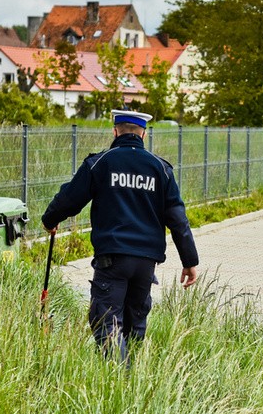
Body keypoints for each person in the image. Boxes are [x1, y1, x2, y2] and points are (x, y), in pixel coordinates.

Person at [42, 110, 199, 362]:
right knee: (135, 325)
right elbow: (178, 219)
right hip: (146, 264)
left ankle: (119, 384)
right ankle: (132, 381)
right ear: (143, 134)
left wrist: (50, 221)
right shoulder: (161, 169)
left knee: (106, 323)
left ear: (115, 131)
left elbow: (69, 200)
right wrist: (189, 261)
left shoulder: (100, 163)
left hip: (112, 260)